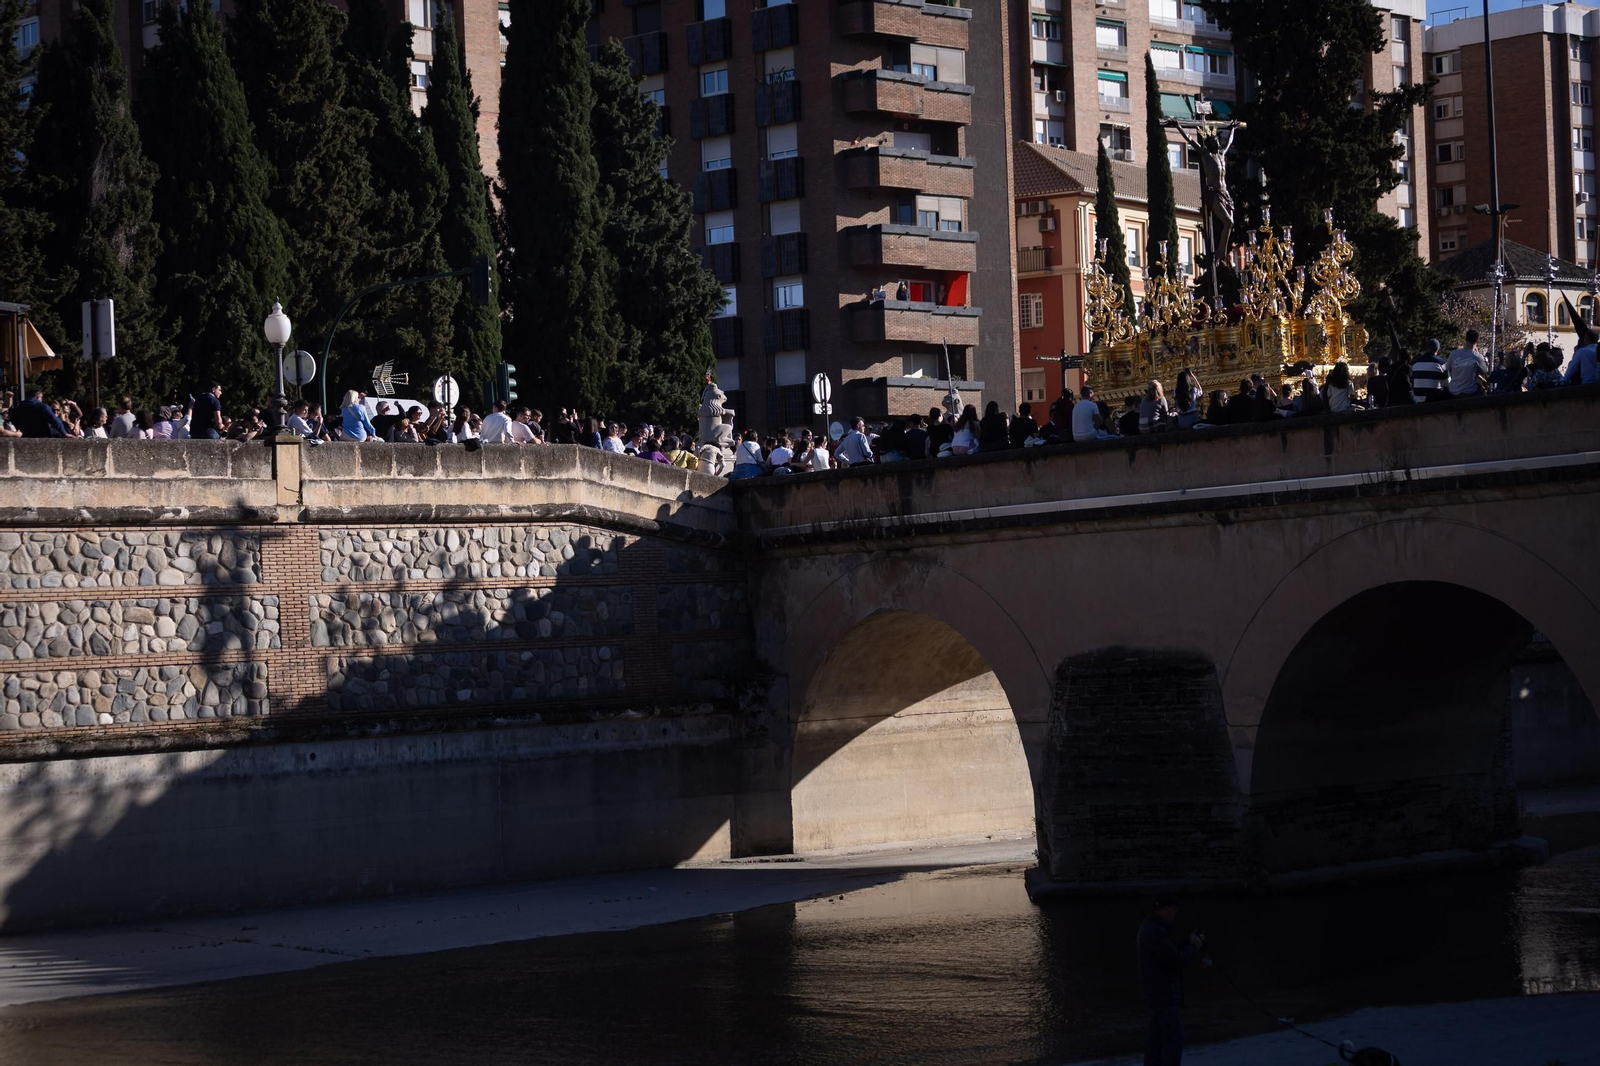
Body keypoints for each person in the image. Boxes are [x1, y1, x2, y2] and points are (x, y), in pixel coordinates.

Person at [1137, 892, 1205, 1066]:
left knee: (1156, 1040)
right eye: (1175, 909)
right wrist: (1194, 947)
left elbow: (1168, 952)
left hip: (1154, 993)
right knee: (1175, 1038)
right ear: (1166, 909)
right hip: (1163, 994)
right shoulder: (1156, 931)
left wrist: (1188, 943)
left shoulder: (1152, 927)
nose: (1176, 913)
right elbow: (1176, 960)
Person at [1445, 329, 1489, 398]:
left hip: (1453, 391)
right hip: (1470, 392)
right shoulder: (1477, 357)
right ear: (1477, 341)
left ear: (1465, 339)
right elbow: (1485, 371)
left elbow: (1448, 369)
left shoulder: (1453, 354)